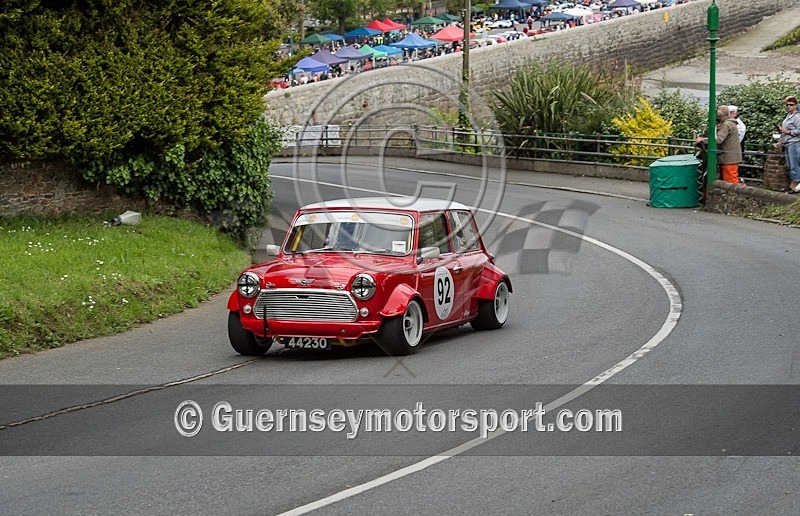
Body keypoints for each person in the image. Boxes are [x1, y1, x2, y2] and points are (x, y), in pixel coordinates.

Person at [696, 105, 742, 184]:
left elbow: (719, 139)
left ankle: (732, 196)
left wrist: (703, 140)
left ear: (720, 115)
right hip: (730, 157)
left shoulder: (726, 125)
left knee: (730, 183)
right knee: (729, 181)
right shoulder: (731, 123)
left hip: (728, 159)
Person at [779, 95, 800, 192]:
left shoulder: (797, 117)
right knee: (789, 164)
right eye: (787, 105)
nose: (789, 106)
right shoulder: (788, 115)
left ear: (796, 105)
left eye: (791, 105)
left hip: (794, 143)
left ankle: (795, 183)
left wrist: (788, 132)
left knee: (794, 164)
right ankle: (793, 183)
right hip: (787, 142)